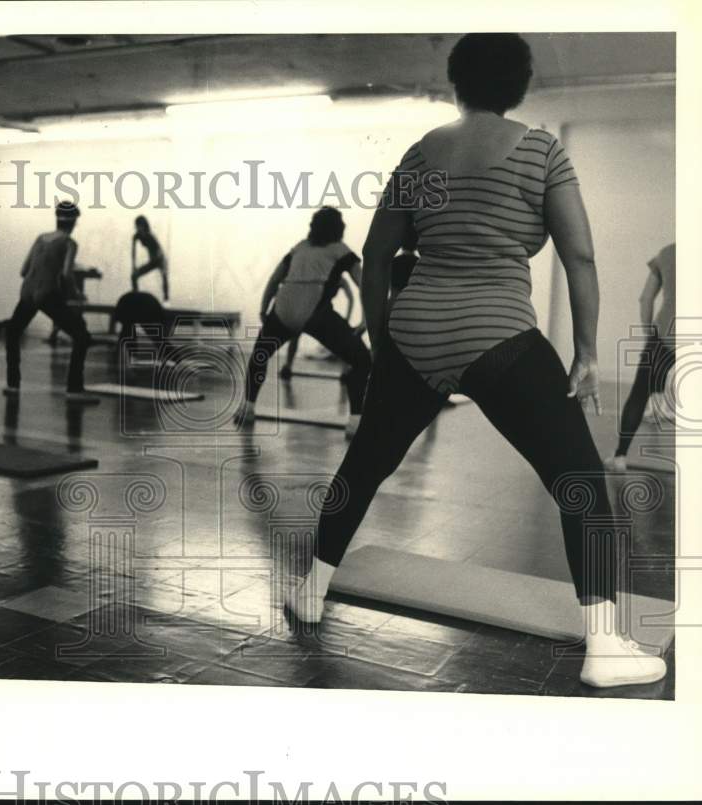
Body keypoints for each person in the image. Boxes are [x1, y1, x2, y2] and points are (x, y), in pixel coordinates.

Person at [286, 34, 665, 689]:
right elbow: (580, 259)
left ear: (456, 83)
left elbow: (377, 258)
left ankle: (310, 590)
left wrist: (383, 342)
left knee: (365, 464)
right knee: (580, 480)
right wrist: (582, 353)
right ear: (520, 84)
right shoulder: (542, 149)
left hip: (416, 333)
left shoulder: (419, 153)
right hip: (501, 337)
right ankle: (604, 647)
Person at [235, 207, 372, 438]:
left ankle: (247, 408)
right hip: (315, 313)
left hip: (282, 309)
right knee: (361, 360)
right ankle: (355, 421)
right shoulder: (340, 250)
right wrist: (367, 320)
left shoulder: (300, 247)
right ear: (339, 228)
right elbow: (365, 285)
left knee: (259, 355)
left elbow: (275, 279)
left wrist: (263, 308)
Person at [3, 201, 96, 401]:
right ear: (73, 223)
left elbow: (23, 271)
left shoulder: (40, 238)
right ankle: (74, 389)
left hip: (26, 292)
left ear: (57, 220)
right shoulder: (70, 243)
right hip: (46, 293)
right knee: (82, 336)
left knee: (13, 332)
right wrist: (76, 294)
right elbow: (66, 275)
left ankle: (12, 385)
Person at [604, 243, 676, 471]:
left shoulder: (668, 252)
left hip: (665, 335)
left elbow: (645, 298)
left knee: (639, 394)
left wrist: (649, 333)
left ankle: (619, 457)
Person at [279, 276, 356, 380]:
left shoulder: (340, 279)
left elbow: (351, 298)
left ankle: (345, 371)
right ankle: (288, 366)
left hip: (323, 314)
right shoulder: (321, 275)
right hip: (310, 312)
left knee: (343, 337)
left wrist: (347, 318)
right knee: (295, 334)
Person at [112, 290, 180, 365]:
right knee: (152, 335)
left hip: (137, 304)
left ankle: (174, 357)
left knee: (129, 333)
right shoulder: (151, 313)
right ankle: (175, 357)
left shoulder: (149, 312)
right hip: (138, 304)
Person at [131, 215, 169, 301]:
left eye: (139, 226)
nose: (138, 228)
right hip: (152, 261)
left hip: (160, 259)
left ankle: (166, 298)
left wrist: (162, 265)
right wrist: (133, 266)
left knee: (164, 276)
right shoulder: (136, 236)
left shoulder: (150, 236)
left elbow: (158, 249)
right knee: (134, 276)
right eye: (137, 226)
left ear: (144, 226)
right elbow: (133, 252)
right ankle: (135, 296)